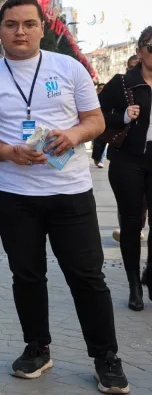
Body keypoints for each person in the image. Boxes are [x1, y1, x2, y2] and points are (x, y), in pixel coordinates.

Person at [0, 0, 130, 394]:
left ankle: (106, 357)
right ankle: (37, 347)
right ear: (0, 29)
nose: (19, 31)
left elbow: (95, 120)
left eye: (27, 24)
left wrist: (72, 135)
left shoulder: (68, 68)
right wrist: (9, 152)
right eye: (10, 24)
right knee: (26, 275)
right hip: (13, 195)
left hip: (69, 192)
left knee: (87, 276)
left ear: (42, 28)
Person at [100, 26, 152, 312]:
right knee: (132, 225)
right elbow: (94, 114)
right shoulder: (123, 82)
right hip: (128, 160)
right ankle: (134, 285)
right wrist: (121, 115)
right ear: (140, 51)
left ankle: (151, 275)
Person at [110, 54, 147, 244]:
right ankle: (131, 228)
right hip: (127, 155)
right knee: (133, 201)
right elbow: (100, 113)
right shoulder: (121, 86)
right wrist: (123, 116)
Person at [92, 83, 108, 168]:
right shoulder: (94, 99)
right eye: (100, 89)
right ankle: (97, 158)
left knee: (103, 142)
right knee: (96, 143)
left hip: (106, 123)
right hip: (95, 124)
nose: (102, 90)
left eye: (103, 88)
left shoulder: (109, 98)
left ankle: (101, 160)